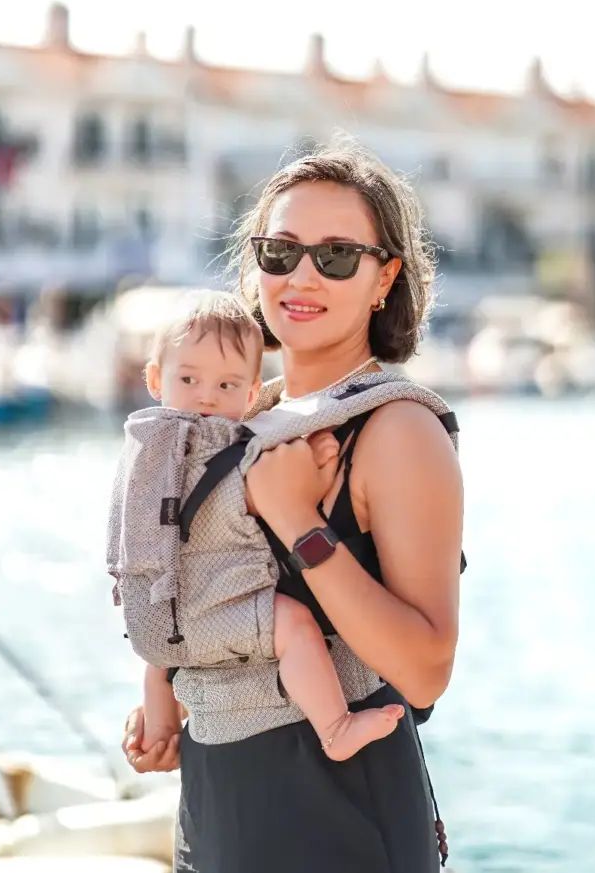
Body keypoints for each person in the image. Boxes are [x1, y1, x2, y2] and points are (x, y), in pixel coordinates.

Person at [122, 139, 464, 873]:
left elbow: (426, 668)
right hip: (218, 810)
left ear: (385, 277)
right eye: (280, 252)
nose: (302, 275)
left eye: (336, 255)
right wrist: (173, 695)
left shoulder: (396, 429)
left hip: (341, 825)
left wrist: (299, 520)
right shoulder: (244, 420)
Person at [137, 288, 406, 761]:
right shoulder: (185, 444)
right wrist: (312, 468)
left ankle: (159, 731)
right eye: (189, 379)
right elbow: (248, 492)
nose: (206, 396)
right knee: (296, 627)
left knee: (161, 653)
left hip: (167, 610)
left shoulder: (149, 446)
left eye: (226, 386)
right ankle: (336, 727)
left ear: (251, 393)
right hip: (212, 602)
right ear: (156, 379)